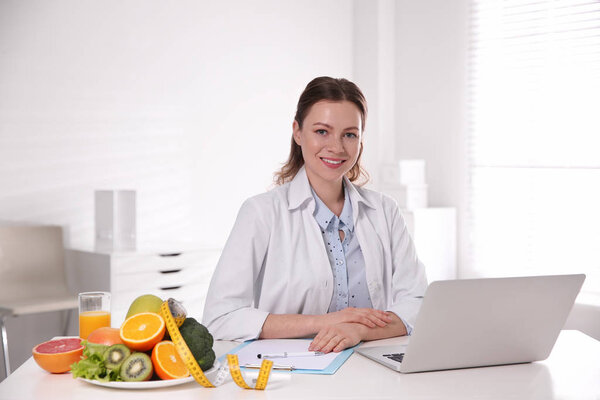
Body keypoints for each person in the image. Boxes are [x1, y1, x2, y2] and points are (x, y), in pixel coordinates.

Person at [202, 76, 427, 353]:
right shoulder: (261, 213)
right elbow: (221, 317)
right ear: (298, 132)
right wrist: (326, 323)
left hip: (373, 366)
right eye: (322, 131)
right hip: (292, 373)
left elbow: (417, 303)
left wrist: (357, 330)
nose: (337, 147)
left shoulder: (385, 211)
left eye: (349, 134)